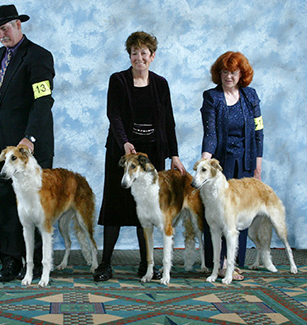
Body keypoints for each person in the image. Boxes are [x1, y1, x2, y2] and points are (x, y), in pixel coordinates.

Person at [94, 31, 186, 282]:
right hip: (121, 153)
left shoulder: (161, 84)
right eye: (134, 53)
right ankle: (105, 264)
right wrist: (125, 142)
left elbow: (169, 122)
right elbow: (113, 115)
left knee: (145, 209)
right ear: (130, 55)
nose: (139, 57)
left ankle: (146, 264)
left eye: (144, 53)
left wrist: (174, 155)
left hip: (153, 155)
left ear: (152, 56)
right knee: (114, 207)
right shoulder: (118, 80)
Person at [0, 4, 55, 282]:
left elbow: (43, 99)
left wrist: (30, 138)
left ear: (18, 25)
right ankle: (10, 261)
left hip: (30, 148)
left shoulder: (39, 56)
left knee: (35, 206)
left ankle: (33, 263)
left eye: (5, 28)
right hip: (3, 148)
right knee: (7, 205)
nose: (2, 35)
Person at [200, 51, 264, 280]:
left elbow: (259, 132)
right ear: (219, 74)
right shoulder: (212, 97)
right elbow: (210, 135)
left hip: (246, 163)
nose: (229, 76)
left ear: (241, 74)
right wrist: (203, 164)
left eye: (233, 72)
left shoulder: (251, 96)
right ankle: (215, 263)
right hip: (220, 166)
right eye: (224, 72)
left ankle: (233, 263)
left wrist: (257, 167)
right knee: (216, 213)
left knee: (240, 215)